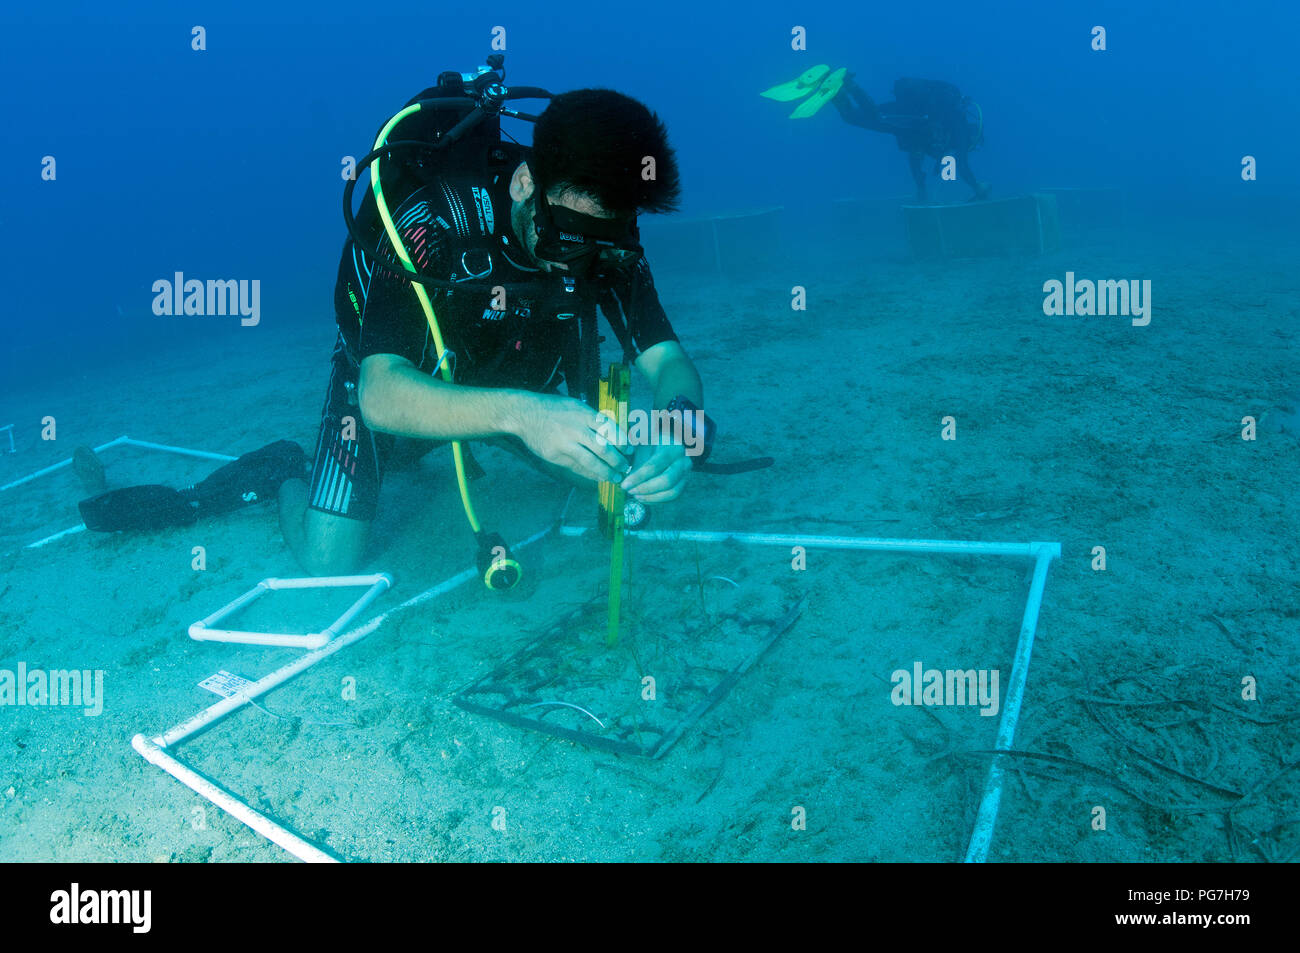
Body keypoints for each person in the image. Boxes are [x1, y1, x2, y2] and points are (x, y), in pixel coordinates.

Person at [278, 86, 707, 576]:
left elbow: (668, 360)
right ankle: (284, 471)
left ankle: (495, 427)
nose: (581, 260)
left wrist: (679, 425)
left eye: (603, 241)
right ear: (525, 183)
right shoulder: (431, 220)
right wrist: (526, 415)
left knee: (609, 475)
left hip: (509, 383)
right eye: (568, 237)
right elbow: (379, 393)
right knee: (326, 560)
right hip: (401, 381)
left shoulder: (608, 246)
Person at [832, 76, 990, 203]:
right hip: (911, 120)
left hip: (909, 125)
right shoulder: (960, 130)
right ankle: (851, 86)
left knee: (855, 117)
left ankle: (840, 94)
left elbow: (916, 157)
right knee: (872, 116)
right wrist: (977, 187)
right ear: (973, 136)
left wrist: (921, 189)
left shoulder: (947, 133)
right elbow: (962, 166)